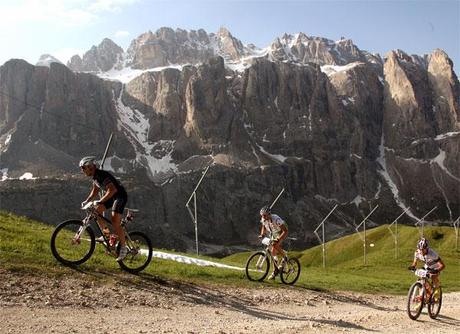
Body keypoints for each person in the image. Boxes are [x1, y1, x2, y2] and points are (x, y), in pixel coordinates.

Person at [79, 156, 128, 261]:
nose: (82, 170)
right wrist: (87, 200)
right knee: (97, 212)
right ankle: (107, 235)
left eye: (83, 168)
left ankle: (123, 248)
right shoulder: (95, 177)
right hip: (112, 196)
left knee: (115, 221)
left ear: (90, 167)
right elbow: (95, 191)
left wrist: (100, 201)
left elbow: (112, 189)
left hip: (119, 196)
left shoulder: (101, 175)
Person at [258, 206, 288, 280]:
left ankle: (285, 257)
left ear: (269, 214)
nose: (263, 217)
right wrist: (262, 234)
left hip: (281, 231)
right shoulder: (263, 218)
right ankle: (275, 271)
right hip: (273, 233)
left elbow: (285, 231)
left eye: (264, 215)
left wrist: (278, 238)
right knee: (272, 253)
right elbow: (263, 227)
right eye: (262, 215)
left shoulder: (276, 219)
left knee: (274, 245)